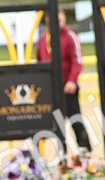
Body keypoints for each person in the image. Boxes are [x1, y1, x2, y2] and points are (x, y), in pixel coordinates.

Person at [36, 9, 92, 150]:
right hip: (51, 92)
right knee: (56, 126)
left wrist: (72, 81)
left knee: (76, 121)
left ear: (64, 18)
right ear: (47, 20)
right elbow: (39, 63)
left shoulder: (69, 36)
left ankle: (85, 153)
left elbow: (77, 61)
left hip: (68, 88)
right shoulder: (43, 39)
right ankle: (63, 157)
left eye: (59, 16)